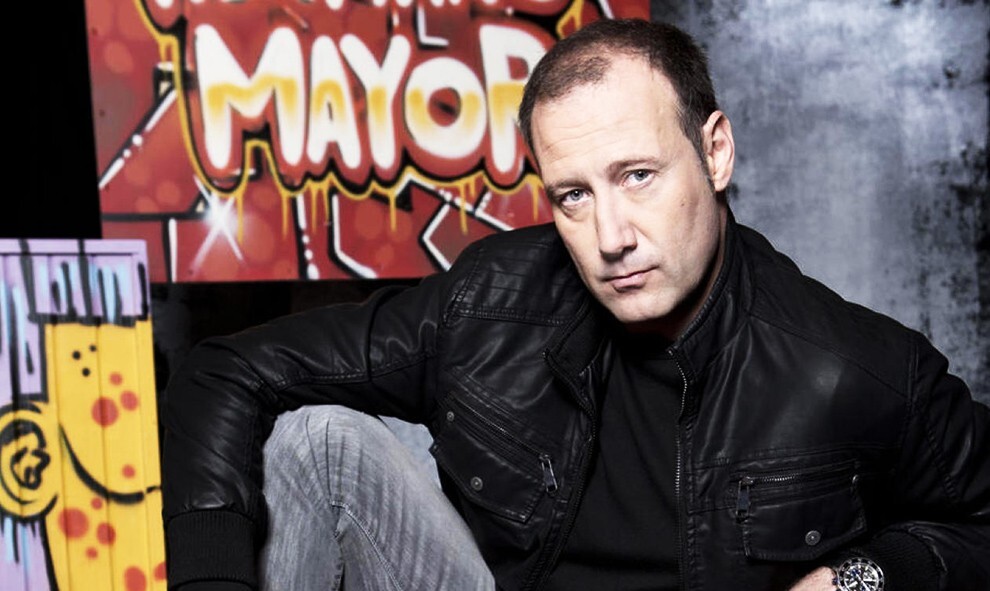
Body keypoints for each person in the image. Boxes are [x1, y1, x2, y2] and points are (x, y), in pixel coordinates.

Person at [161, 18, 990, 591]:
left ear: (716, 152)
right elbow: (227, 367)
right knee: (319, 441)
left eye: (639, 176)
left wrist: (862, 575)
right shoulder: (491, 304)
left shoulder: (852, 366)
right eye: (573, 195)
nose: (611, 236)